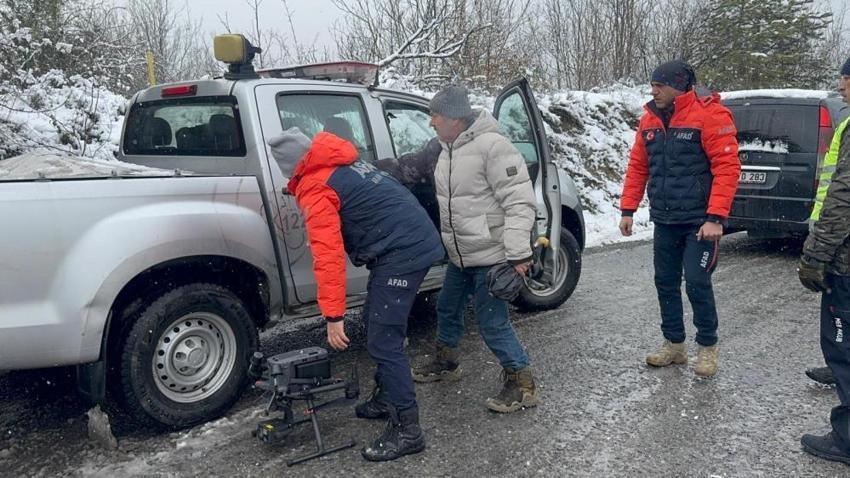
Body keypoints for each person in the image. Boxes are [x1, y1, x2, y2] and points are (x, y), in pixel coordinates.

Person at [268, 127, 445, 462]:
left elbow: (328, 256)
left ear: (291, 166)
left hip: (403, 251)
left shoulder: (317, 186)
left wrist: (333, 317)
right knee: (375, 321)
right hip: (408, 242)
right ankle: (386, 397)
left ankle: (408, 431)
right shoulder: (339, 164)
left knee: (383, 339)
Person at [380, 85, 539, 413]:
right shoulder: (444, 149)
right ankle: (447, 363)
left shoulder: (493, 147)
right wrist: (368, 169)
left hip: (493, 253)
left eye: (435, 116)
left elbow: (520, 202)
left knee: (492, 322)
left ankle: (522, 383)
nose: (431, 122)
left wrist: (518, 255)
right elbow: (406, 168)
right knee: (448, 308)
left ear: (454, 117)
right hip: (461, 253)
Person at [619, 60, 740, 377]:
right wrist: (628, 209)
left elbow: (727, 168)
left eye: (659, 85)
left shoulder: (710, 114)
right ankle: (674, 345)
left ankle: (707, 347)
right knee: (665, 282)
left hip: (701, 222)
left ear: (677, 86)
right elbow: (638, 167)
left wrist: (715, 217)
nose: (653, 90)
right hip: (665, 219)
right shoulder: (649, 119)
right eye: (652, 84)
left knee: (697, 282)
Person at [798, 56, 850, 465]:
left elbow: (842, 203)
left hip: (846, 265)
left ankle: (846, 439)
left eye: (846, 80)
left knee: (843, 350)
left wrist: (815, 257)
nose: (842, 87)